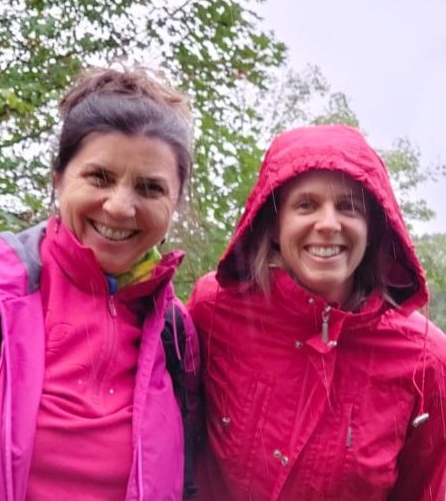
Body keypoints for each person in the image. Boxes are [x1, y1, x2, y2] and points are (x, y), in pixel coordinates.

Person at [0, 66, 200, 501]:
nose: (119, 206)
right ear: (59, 177)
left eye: (150, 188)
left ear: (175, 203)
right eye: (100, 177)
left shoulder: (174, 333)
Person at [188, 124, 446, 501]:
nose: (328, 224)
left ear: (373, 227)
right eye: (306, 204)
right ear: (274, 225)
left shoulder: (426, 359)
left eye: (348, 207)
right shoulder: (214, 309)